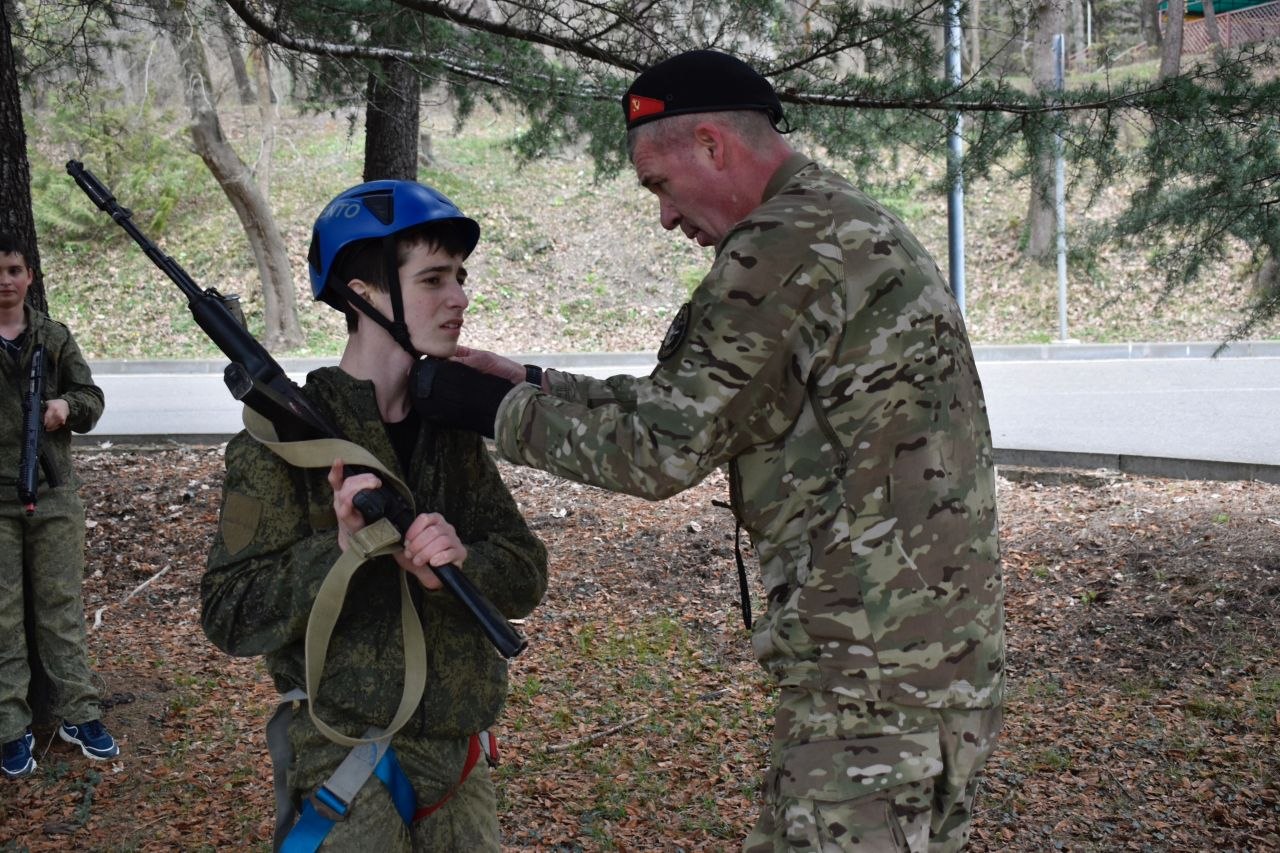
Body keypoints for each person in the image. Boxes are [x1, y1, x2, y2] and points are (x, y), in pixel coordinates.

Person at [413, 51, 1005, 852]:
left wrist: (492, 408)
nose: (664, 217)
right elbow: (702, 400)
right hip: (899, 673)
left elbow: (660, 448)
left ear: (714, 147)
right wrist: (532, 381)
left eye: (659, 185)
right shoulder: (833, 221)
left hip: (875, 691)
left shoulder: (784, 246)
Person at [200, 181, 548, 851]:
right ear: (363, 294)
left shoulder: (449, 426)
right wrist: (336, 547)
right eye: (434, 279)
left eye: (461, 278)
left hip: (458, 762)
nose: (460, 298)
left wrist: (463, 561)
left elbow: (526, 572)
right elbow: (229, 612)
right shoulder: (279, 445)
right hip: (345, 760)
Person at [0, 231, 118, 780]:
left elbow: (92, 399)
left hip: (52, 493)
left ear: (28, 277)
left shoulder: (52, 336)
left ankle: (78, 713)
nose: (6, 281)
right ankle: (9, 725)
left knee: (60, 609)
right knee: (3, 618)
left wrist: (64, 407)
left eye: (15, 270)